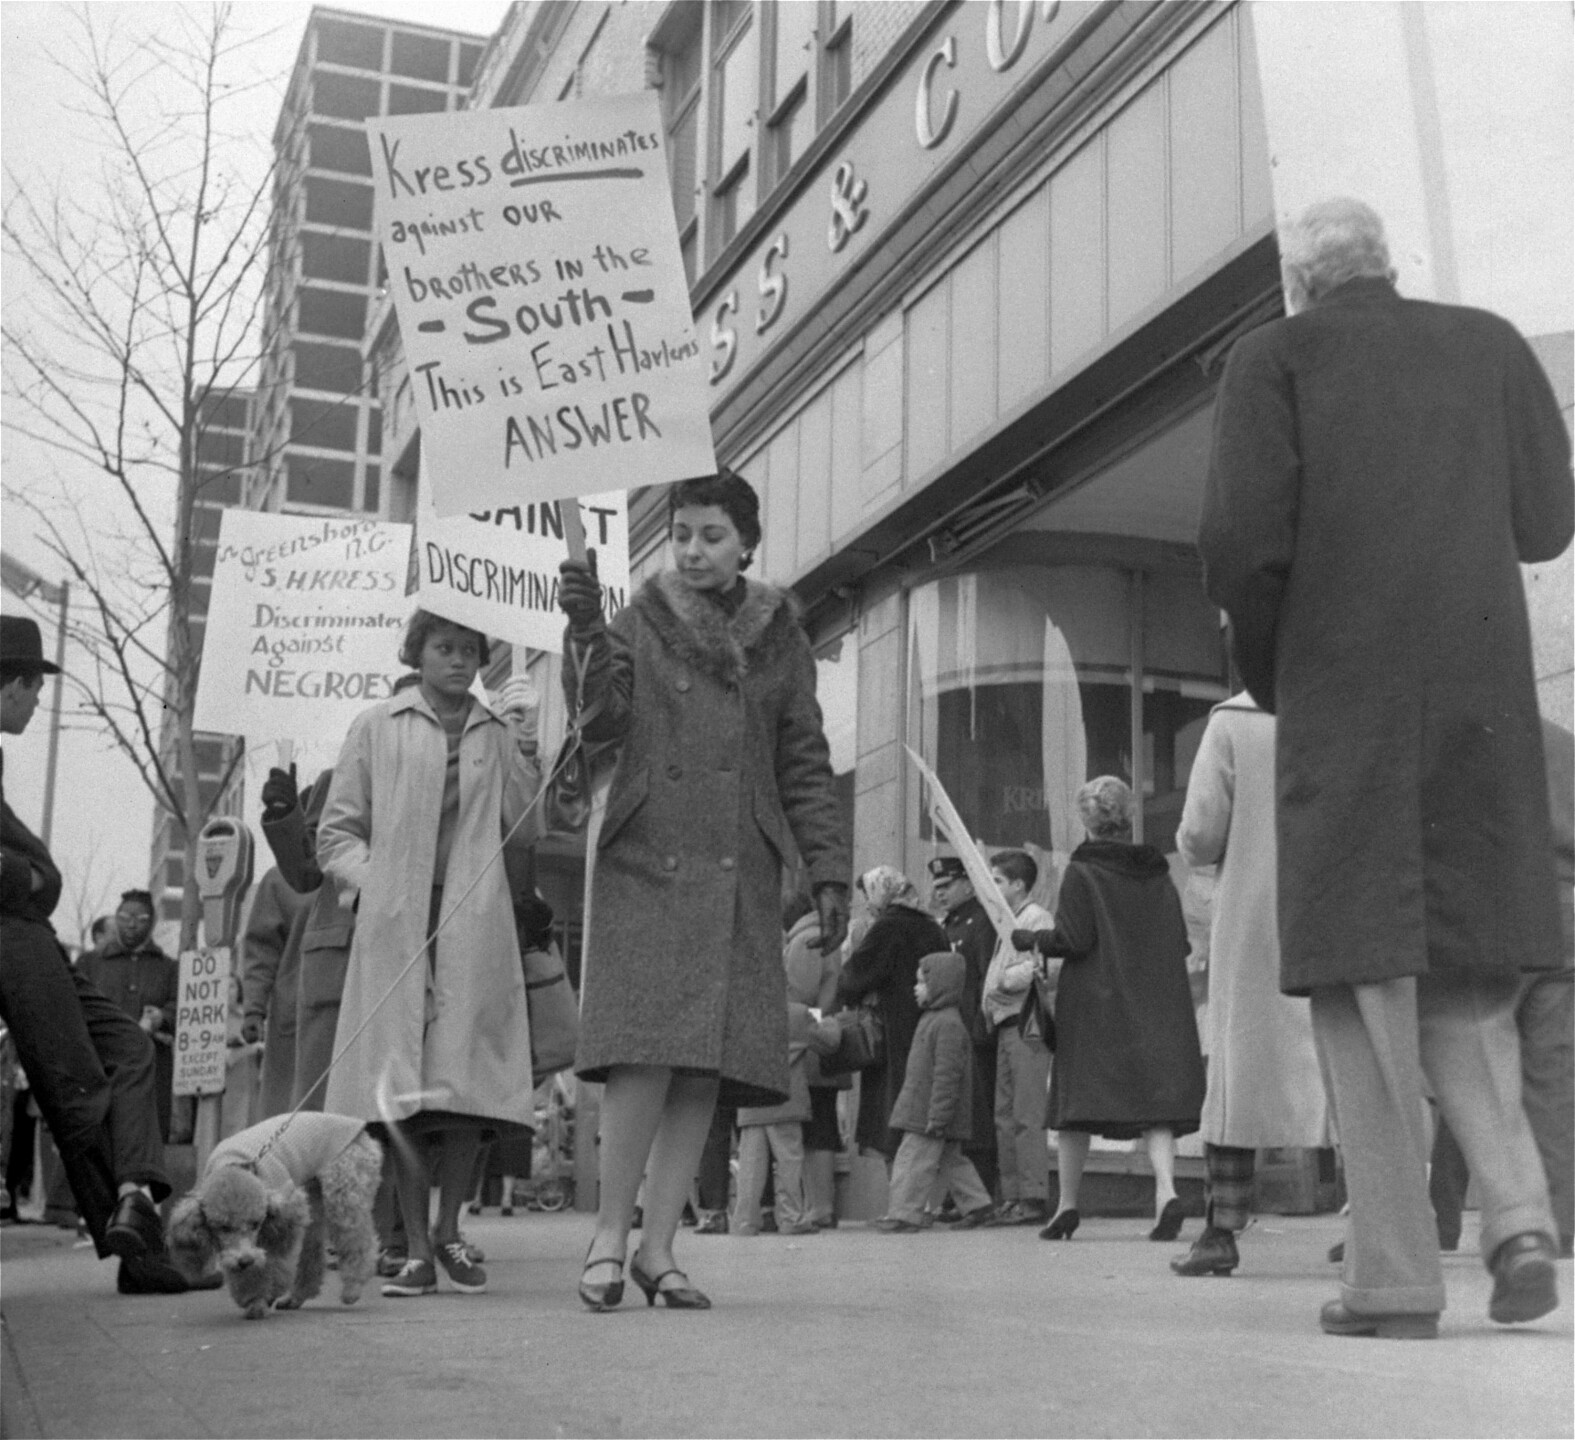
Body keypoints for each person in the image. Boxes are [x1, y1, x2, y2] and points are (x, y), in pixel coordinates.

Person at [1198, 197, 1573, 1337]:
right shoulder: (1490, 342)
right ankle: (1517, 1216)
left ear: (1301, 281)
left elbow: (1240, 546)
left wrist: (1277, 678)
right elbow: (1549, 522)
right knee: (1465, 978)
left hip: (1345, 702)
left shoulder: (1271, 359)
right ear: (1389, 265)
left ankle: (1395, 1278)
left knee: (1359, 989)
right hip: (1480, 702)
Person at [557, 469, 849, 1312]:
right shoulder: (636, 618)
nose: (691, 550)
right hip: (647, 855)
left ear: (746, 543)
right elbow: (598, 723)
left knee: (700, 1066)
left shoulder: (780, 634)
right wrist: (584, 632)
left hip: (735, 862)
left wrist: (826, 867)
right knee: (644, 1052)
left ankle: (658, 1249)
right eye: (681, 533)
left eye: (710, 535)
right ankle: (609, 1236)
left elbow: (802, 756)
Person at [317, 610, 542, 1299]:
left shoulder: (497, 730)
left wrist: (529, 745)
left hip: (472, 925)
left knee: (465, 1092)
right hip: (398, 927)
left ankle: (450, 1230)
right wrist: (375, 887)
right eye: (445, 647)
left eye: (470, 650)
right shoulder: (376, 724)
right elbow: (336, 834)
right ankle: (415, 1248)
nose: (458, 661)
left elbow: (528, 826)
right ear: (417, 653)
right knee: (404, 1098)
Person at [0, 616, 191, 1293]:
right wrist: (24, 877)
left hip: (29, 939)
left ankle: (136, 1210)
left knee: (126, 1054)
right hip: (11, 936)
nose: (36, 702)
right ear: (14, 684)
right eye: (34, 688)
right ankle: (142, 1254)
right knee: (80, 1088)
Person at [1169, 693, 1331, 1277]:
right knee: (1347, 1069)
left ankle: (1220, 1231)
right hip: (1336, 911)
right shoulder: (1346, 703)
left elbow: (1202, 836)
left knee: (1239, 1072)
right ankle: (1373, 1225)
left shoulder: (1233, 722)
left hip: (1258, 919)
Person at [1016, 777, 1205, 1243]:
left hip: (1095, 1001)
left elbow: (1073, 939)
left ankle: (1067, 1205)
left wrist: (1030, 939)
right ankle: (1165, 1191)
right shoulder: (1158, 872)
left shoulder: (1082, 871)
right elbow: (1179, 942)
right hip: (1156, 997)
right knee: (1157, 1101)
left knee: (1077, 1102)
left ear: (1087, 821)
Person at [1428, 716, 1575, 1260]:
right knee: (1554, 1082)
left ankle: (1441, 1217)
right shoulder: (1567, 745)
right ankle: (1556, 1224)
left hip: (1505, 911)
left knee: (1473, 1060)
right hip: (1570, 919)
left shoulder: (1486, 740)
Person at [836, 867, 950, 1177]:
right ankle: (924, 1201)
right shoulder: (932, 926)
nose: (866, 902)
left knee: (893, 1117)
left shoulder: (888, 927)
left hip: (889, 1031)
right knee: (922, 1114)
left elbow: (853, 979)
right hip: (927, 1026)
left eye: (866, 894)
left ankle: (902, 1200)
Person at [873, 950, 994, 1232]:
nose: (916, 988)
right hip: (928, 1110)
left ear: (940, 985)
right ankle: (978, 1204)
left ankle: (904, 1213)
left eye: (922, 983)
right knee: (952, 1161)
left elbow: (946, 1077)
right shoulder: (937, 1020)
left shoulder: (947, 1024)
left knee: (911, 1162)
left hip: (928, 1114)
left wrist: (938, 1115)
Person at [258, 765, 355, 1113]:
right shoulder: (345, 775)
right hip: (340, 969)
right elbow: (307, 867)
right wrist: (286, 817)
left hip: (419, 957)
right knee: (323, 1115)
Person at [979, 850, 1057, 1228]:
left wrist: (1004, 982)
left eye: (998, 880)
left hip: (1026, 1022)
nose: (993, 887)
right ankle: (1012, 1195)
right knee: (1005, 1114)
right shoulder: (1009, 922)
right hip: (1006, 1023)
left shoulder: (1036, 919)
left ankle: (1032, 1196)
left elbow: (1044, 966)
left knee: (1026, 1113)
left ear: (1018, 885)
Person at [77, 890, 180, 1143]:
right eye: (124, 917)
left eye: (141, 919)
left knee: (146, 1141)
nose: (131, 925)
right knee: (98, 1140)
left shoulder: (168, 967)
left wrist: (162, 1016)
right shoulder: (90, 963)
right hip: (100, 1066)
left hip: (152, 1070)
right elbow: (70, 1007)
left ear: (152, 923)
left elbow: (184, 1008)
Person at [928, 856, 999, 1201]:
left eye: (946, 886)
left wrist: (981, 1029)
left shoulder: (980, 921)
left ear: (968, 884)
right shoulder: (949, 925)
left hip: (975, 1033)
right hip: (952, 1034)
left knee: (977, 1119)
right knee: (957, 1117)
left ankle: (982, 1194)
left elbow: (986, 977)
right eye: (936, 887)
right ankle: (960, 1198)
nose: (938, 893)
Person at [784, 892, 847, 1229]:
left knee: (815, 1125)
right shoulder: (821, 935)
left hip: (807, 1041)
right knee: (819, 1122)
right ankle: (820, 1204)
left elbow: (798, 992)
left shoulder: (805, 940)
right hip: (820, 1035)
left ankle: (820, 1205)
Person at [239, 865, 309, 1118]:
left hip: (357, 1006)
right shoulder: (279, 878)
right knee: (289, 1109)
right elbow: (261, 950)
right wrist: (253, 1010)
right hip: (294, 1011)